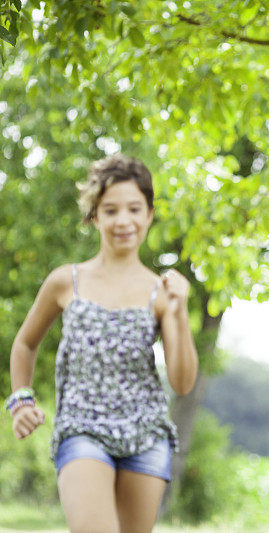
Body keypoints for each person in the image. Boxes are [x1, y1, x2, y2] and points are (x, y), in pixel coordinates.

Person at [6, 153, 198, 532]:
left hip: (145, 435)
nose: (123, 221)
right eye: (110, 210)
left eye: (133, 209)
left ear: (149, 214)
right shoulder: (66, 281)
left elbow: (181, 382)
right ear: (94, 216)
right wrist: (21, 399)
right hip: (82, 428)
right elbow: (25, 344)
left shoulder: (161, 293)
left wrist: (178, 311)